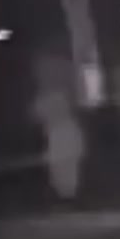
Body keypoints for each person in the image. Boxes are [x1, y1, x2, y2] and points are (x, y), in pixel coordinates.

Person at [31, 52, 86, 202]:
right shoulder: (49, 98)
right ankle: (67, 195)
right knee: (62, 169)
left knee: (64, 168)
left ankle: (68, 195)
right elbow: (37, 117)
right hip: (59, 136)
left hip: (62, 135)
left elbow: (37, 117)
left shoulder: (53, 98)